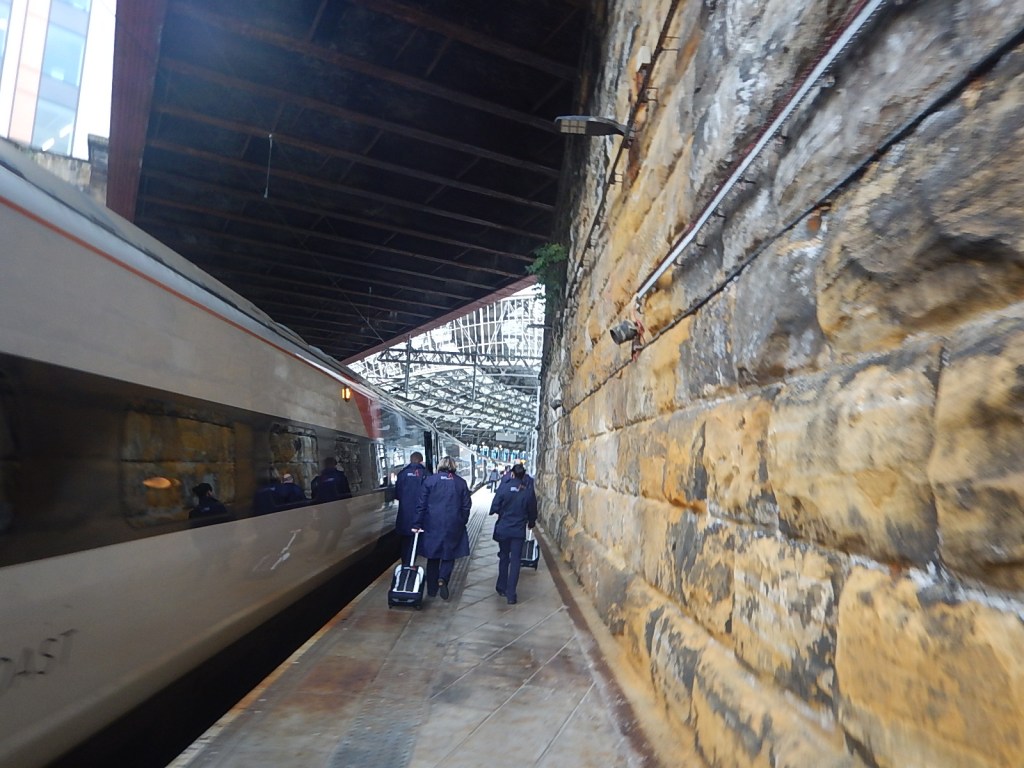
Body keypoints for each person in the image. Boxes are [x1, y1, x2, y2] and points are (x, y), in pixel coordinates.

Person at [413, 456, 471, 600]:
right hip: (453, 524)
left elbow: (421, 505)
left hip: (432, 524)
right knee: (449, 554)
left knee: (432, 556)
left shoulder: (430, 481)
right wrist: (462, 521)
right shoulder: (461, 483)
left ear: (440, 466)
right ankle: (443, 578)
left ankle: (432, 590)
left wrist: (417, 524)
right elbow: (466, 506)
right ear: (454, 466)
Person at [488, 463, 537, 605]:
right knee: (515, 561)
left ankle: (501, 587)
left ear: (512, 474)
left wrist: (503, 513)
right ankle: (511, 594)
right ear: (524, 476)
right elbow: (533, 510)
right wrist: (531, 522)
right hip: (518, 531)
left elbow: (494, 507)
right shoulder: (528, 491)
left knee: (504, 556)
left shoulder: (504, 487)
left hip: (504, 528)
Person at [394, 452, 427, 565]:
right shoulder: (426, 474)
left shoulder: (402, 474)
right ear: (421, 461)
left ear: (410, 460)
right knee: (417, 542)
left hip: (404, 516)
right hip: (420, 516)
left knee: (405, 542)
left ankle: (406, 565)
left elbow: (397, 495)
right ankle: (412, 564)